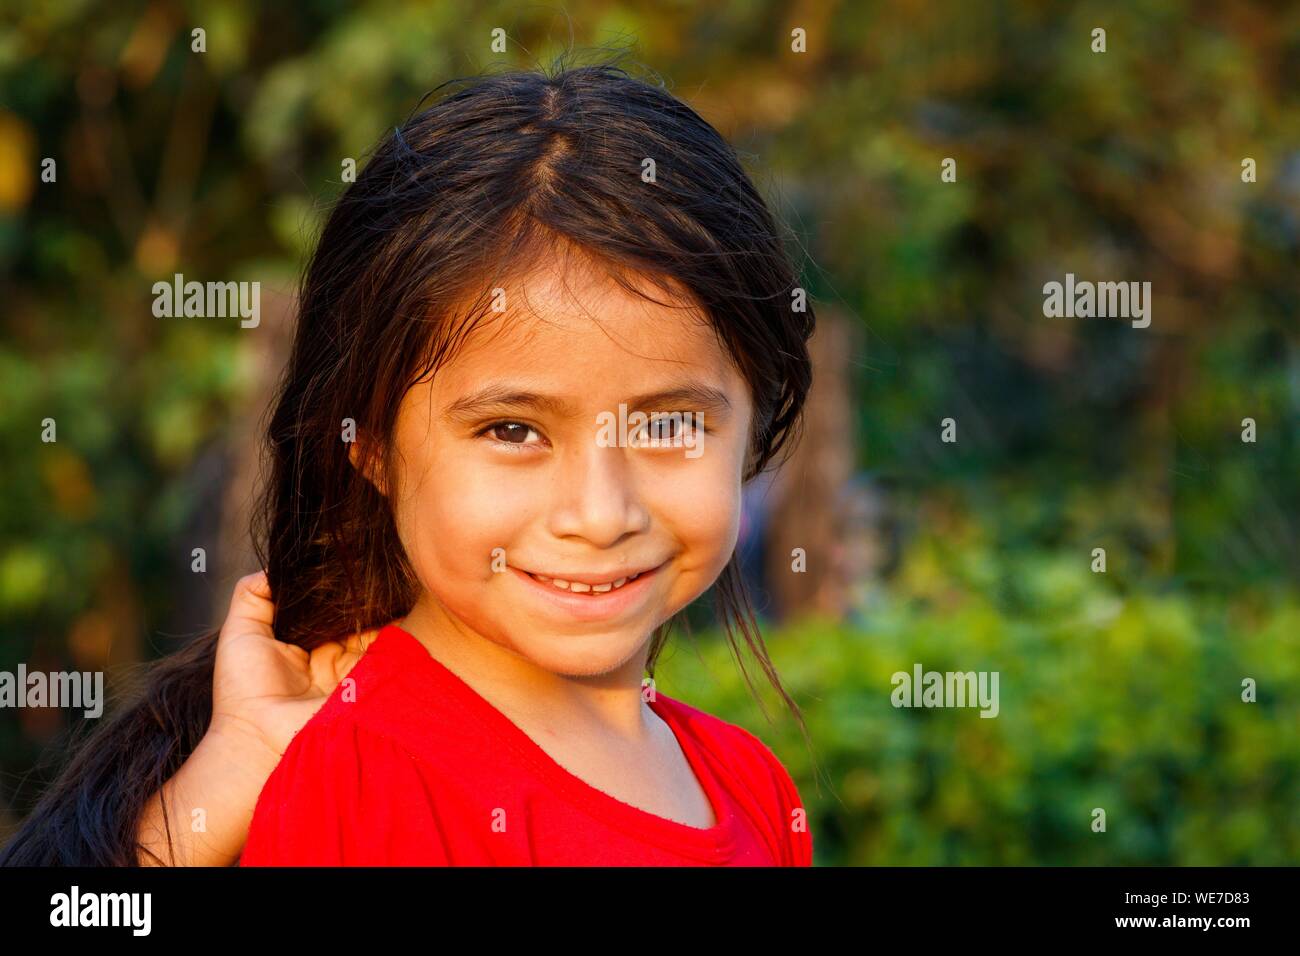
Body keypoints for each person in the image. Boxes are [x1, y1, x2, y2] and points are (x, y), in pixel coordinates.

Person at [1, 55, 817, 866]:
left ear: (754, 422)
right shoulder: (359, 787)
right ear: (375, 450)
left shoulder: (752, 786)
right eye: (511, 431)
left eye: (669, 426)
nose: (601, 514)